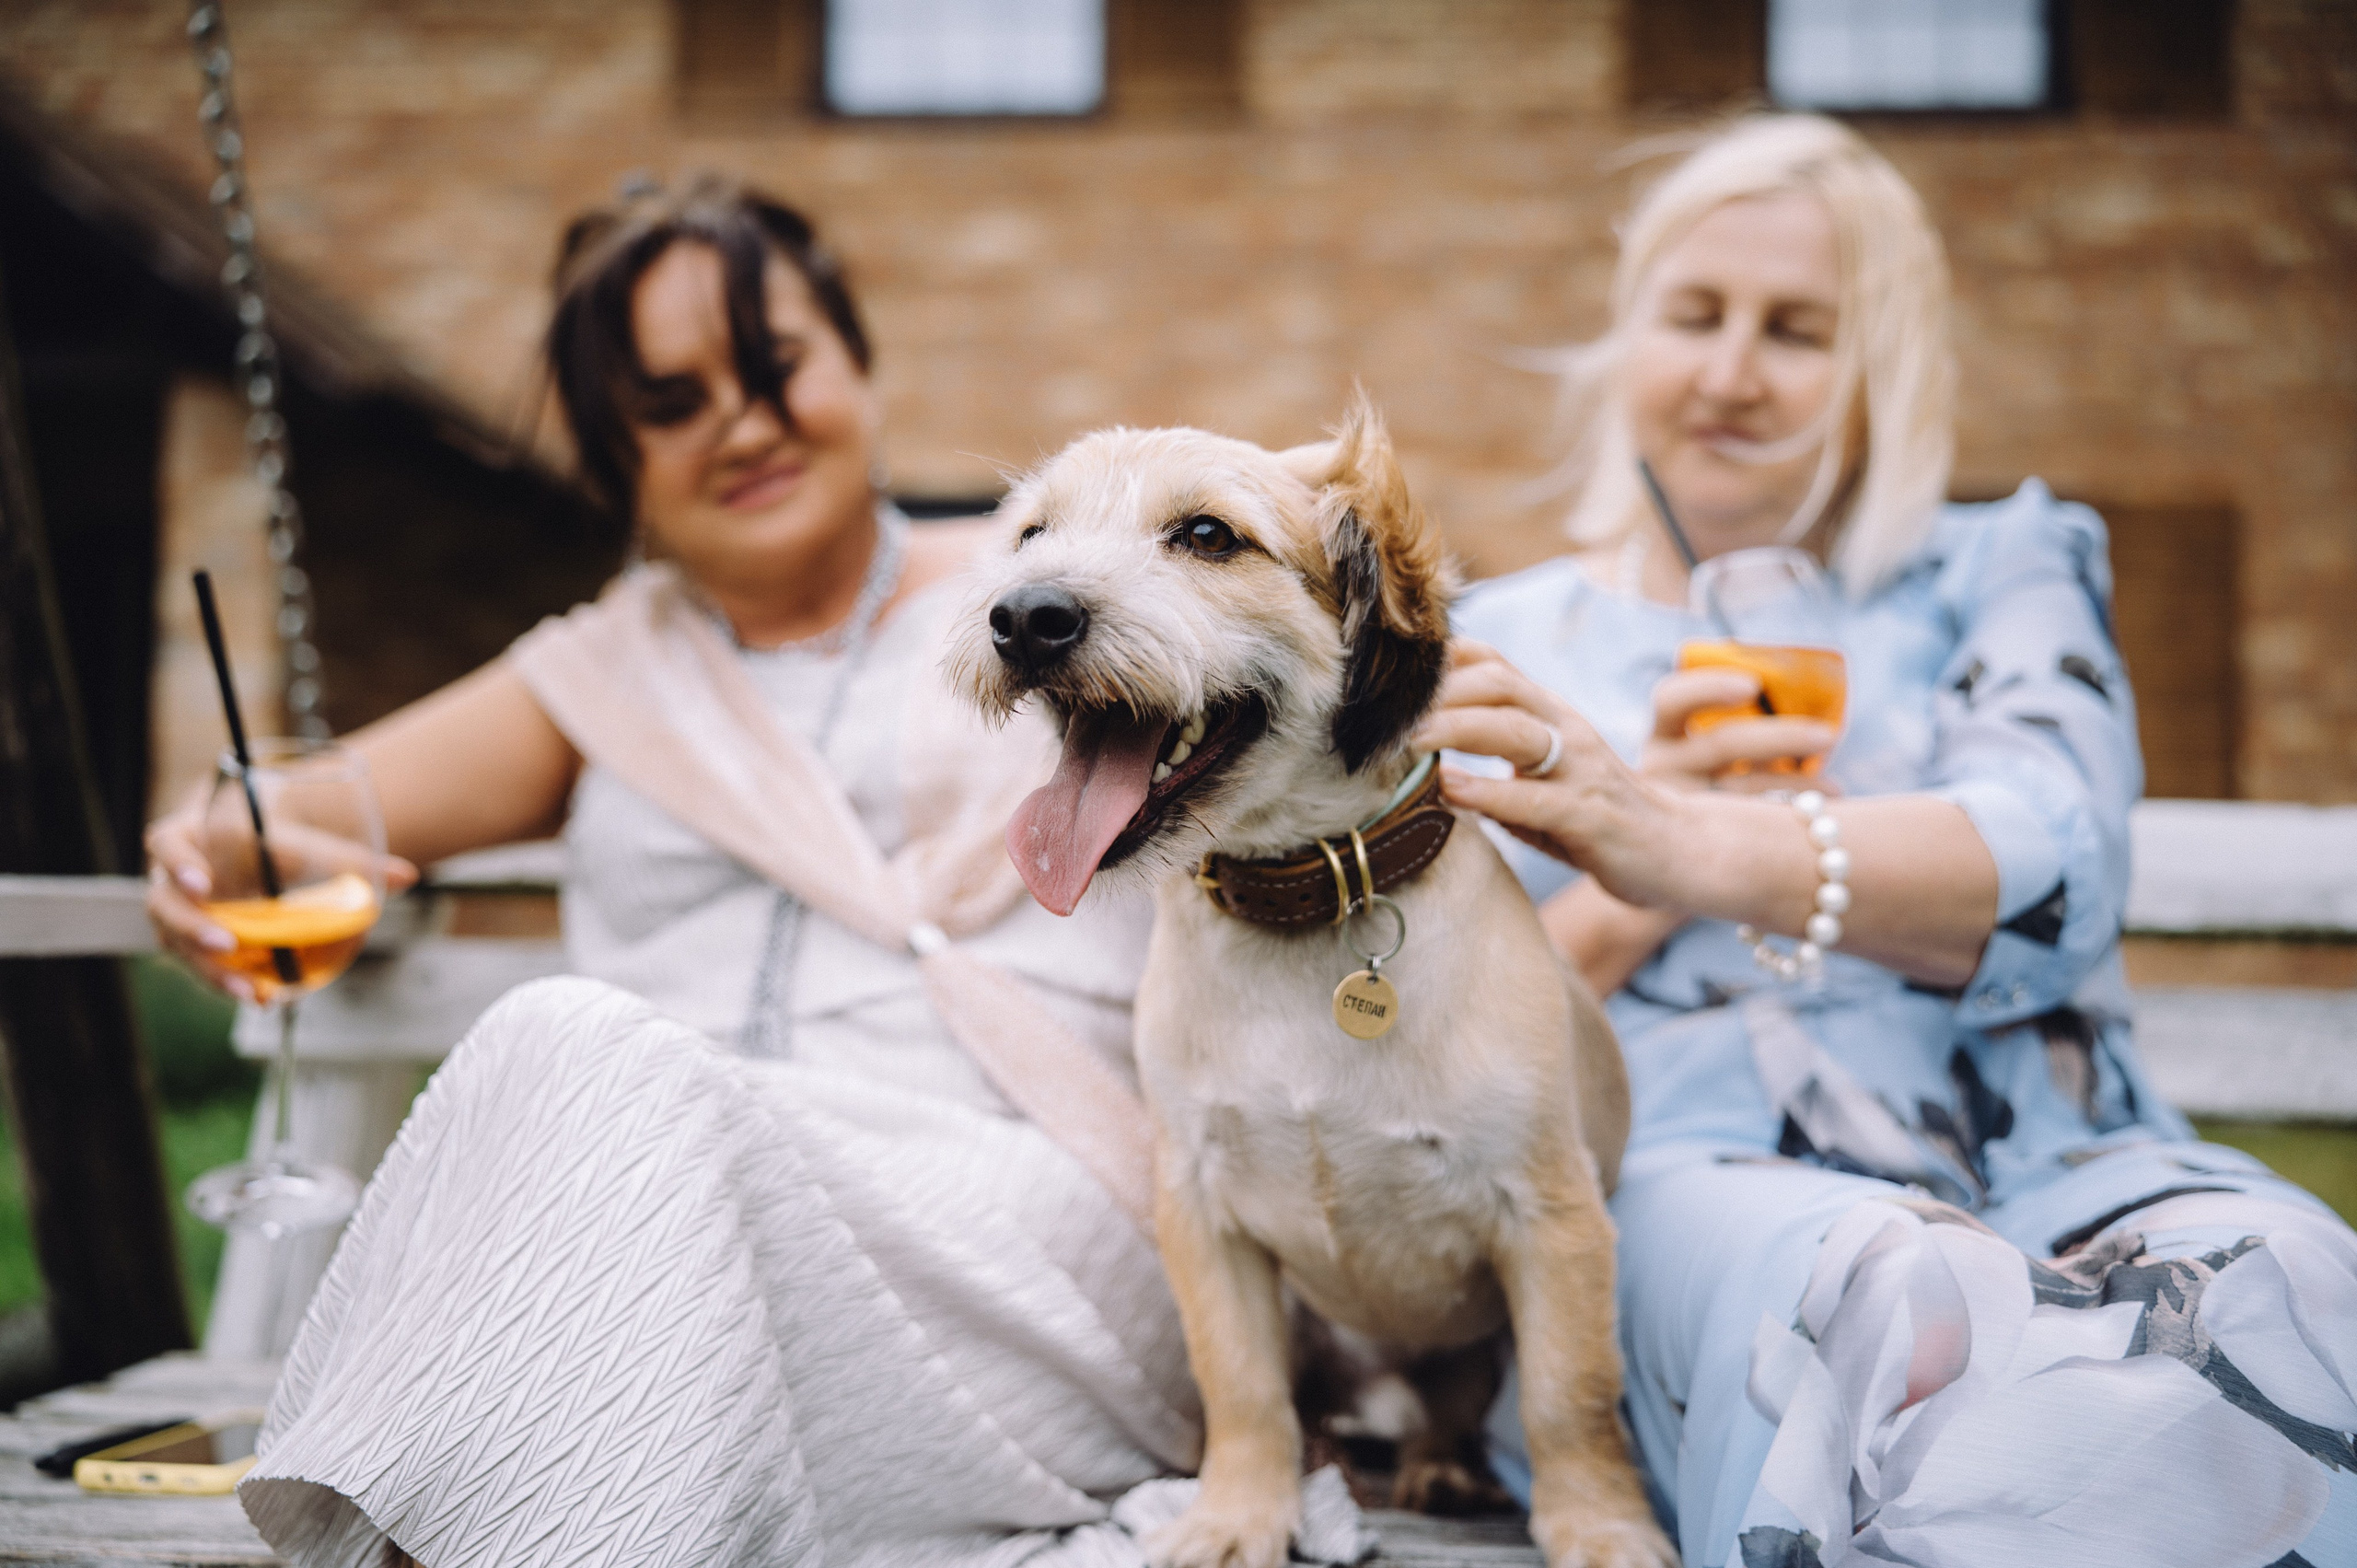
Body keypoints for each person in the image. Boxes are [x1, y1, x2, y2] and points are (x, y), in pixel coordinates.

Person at [142, 178, 1307, 1568]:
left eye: (776, 368)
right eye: (673, 401)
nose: (743, 424)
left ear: (858, 365)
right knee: (584, 1076)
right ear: (611, 456)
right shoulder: (598, 674)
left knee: (572, 1044)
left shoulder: (1056, 597)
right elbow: (266, 818)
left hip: (1034, 1246)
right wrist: (210, 836)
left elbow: (1340, 689)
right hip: (656, 1279)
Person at [1418, 116, 2357, 1568]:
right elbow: (1430, 1040)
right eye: (1694, 317)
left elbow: (2060, 860)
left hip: (2053, 1154)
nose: (1731, 373)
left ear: (1884, 367)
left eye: (1796, 331)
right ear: (1627, 340)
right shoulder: (1504, 645)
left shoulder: (2001, 571)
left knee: (2288, 1276)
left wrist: (1695, 837)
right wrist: (1635, 874)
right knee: (1895, 1290)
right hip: (1697, 1172)